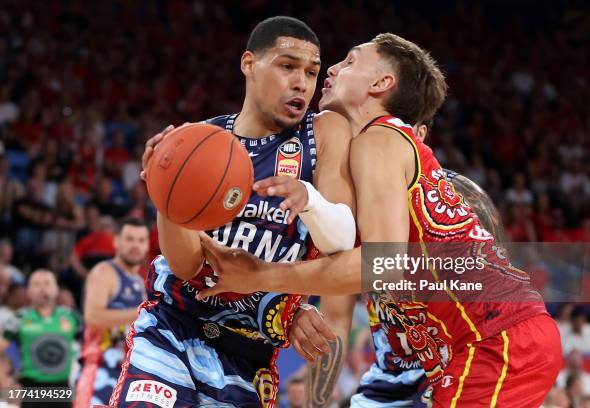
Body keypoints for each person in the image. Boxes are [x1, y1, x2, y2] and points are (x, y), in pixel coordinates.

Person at [199, 33, 562, 407]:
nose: (333, 68)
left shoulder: (380, 139)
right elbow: (336, 315)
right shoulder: (354, 172)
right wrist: (317, 400)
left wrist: (259, 274)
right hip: (467, 350)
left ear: (381, 83)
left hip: (495, 337)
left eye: (351, 61)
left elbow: (385, 265)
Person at [110, 16, 356, 407]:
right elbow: (186, 264)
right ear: (249, 64)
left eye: (311, 72)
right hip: (174, 330)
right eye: (287, 65)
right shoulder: (200, 142)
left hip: (250, 357)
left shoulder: (323, 132)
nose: (302, 83)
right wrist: (167, 194)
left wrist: (307, 196)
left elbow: (341, 242)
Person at [293, 121, 509, 408]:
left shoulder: (458, 203)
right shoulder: (354, 212)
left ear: (417, 138)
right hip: (387, 380)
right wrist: (315, 402)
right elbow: (334, 320)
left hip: (454, 371)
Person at [73, 218, 149, 407]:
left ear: (148, 245)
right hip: (98, 370)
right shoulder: (104, 271)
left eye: (141, 241)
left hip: (125, 375)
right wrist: (143, 312)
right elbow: (93, 317)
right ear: (116, 241)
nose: (135, 245)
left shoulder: (140, 283)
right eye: (129, 239)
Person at [2, 269, 80, 408]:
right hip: (30, 388)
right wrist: (5, 381)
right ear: (29, 291)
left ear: (57, 289)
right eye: (36, 284)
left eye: (47, 283)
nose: (42, 288)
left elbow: (93, 345)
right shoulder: (18, 318)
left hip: (62, 389)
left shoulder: (71, 317)